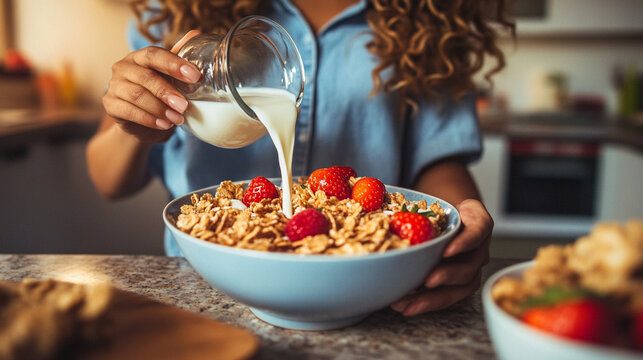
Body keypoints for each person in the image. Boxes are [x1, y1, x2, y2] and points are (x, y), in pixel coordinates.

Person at [86, 0, 514, 316]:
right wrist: (133, 121)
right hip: (202, 287)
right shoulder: (178, 9)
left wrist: (456, 226)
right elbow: (107, 180)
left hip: (369, 285)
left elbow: (438, 158)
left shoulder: (429, 14)